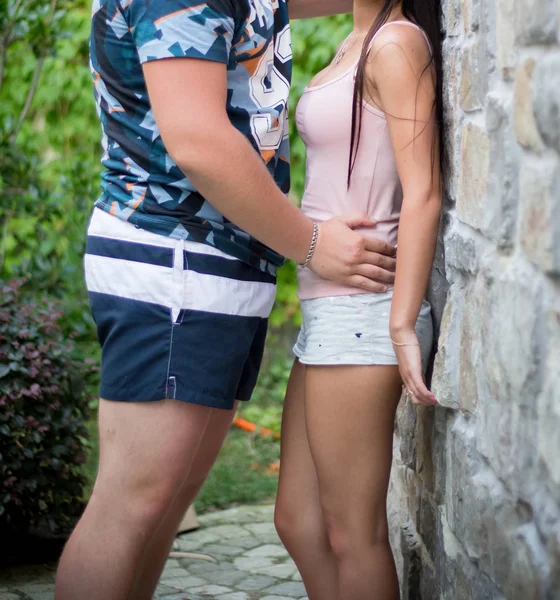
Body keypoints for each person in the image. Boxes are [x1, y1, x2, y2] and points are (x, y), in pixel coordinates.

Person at [55, 1, 399, 598]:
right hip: (172, 262)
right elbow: (197, 140)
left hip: (215, 271)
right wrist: (313, 243)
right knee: (132, 506)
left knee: (162, 507)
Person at [273, 1, 443, 599]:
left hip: (363, 314)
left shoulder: (396, 44)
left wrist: (402, 325)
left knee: (352, 534)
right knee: (299, 521)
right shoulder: (355, 39)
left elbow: (422, 192)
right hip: (328, 311)